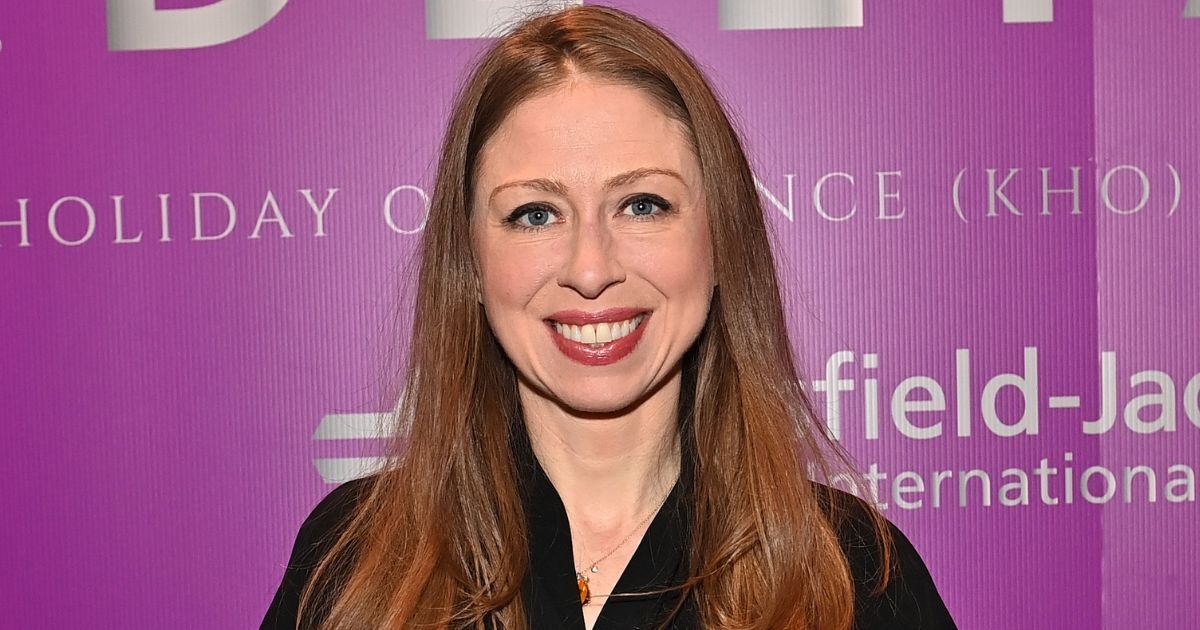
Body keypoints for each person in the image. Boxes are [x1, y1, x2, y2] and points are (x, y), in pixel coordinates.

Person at [263, 5, 956, 629]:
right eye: (534, 213)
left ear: (720, 241)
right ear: (469, 264)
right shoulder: (357, 561)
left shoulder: (854, 576)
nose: (591, 269)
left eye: (643, 205)